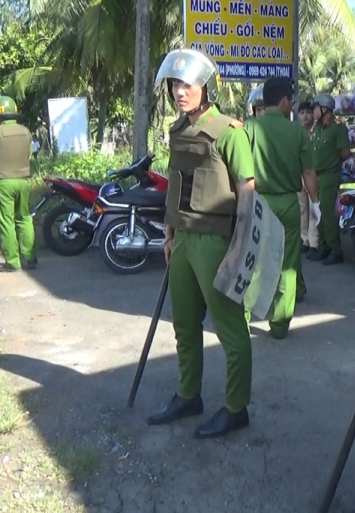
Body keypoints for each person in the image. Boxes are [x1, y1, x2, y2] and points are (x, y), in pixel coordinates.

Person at [148, 48, 257, 439]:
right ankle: (188, 395)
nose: (180, 91)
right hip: (183, 241)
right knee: (184, 326)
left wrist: (239, 249)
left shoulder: (230, 131)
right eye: (175, 84)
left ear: (204, 87)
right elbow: (177, 187)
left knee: (230, 331)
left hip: (216, 241)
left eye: (187, 84)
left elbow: (247, 190)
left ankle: (235, 408)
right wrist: (170, 233)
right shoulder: (178, 132)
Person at [243, 77, 321, 338]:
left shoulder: (250, 127)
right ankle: (279, 324)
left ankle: (243, 316)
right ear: (285, 100)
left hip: (258, 202)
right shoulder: (297, 131)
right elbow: (309, 172)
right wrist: (316, 203)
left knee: (254, 259)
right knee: (287, 265)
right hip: (288, 203)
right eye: (292, 102)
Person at [0, 96, 38, 272]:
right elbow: (29, 156)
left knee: (6, 222)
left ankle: (12, 262)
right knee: (25, 219)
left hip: (3, 183)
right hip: (23, 182)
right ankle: (30, 258)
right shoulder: (26, 132)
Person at [308, 93, 350, 265]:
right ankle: (323, 247)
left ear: (325, 109)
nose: (313, 112)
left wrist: (332, 164)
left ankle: (335, 250)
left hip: (329, 175)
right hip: (315, 175)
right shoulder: (317, 127)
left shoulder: (338, 127)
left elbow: (345, 153)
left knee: (327, 212)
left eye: (315, 108)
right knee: (318, 212)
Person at [297, 102, 319, 255]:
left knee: (313, 208)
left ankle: (314, 243)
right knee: (302, 209)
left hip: (313, 174)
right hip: (299, 174)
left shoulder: (318, 131)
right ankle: (304, 239)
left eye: (308, 112)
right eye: (302, 112)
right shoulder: (297, 132)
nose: (305, 116)